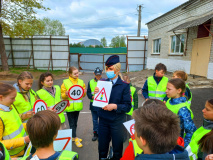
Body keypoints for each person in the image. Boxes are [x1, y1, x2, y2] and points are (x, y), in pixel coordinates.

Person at [94, 55, 131, 160]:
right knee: (102, 149)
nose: (107, 71)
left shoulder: (124, 86)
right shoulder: (102, 83)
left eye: (110, 69)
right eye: (106, 68)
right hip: (103, 121)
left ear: (117, 69)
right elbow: (98, 103)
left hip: (117, 122)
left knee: (117, 150)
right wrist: (95, 94)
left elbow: (127, 106)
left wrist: (115, 106)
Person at [0, 83, 29, 158]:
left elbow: (17, 126)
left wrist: (30, 125)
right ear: (1, 98)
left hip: (23, 149)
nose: (14, 100)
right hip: (12, 156)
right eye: (12, 98)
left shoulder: (10, 107)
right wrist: (24, 140)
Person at [166, 78, 196, 147]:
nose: (166, 91)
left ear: (179, 90)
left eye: (169, 89)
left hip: (175, 143)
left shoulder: (183, 109)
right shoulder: (169, 101)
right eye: (166, 88)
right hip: (167, 139)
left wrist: (182, 147)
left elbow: (191, 131)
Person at [61, 66, 86, 148]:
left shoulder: (81, 82)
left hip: (78, 107)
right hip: (69, 107)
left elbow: (83, 94)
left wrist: (84, 92)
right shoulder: (65, 82)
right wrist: (66, 94)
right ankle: (75, 138)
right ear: (70, 74)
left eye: (77, 73)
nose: (77, 74)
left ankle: (73, 136)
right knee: (72, 123)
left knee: (75, 123)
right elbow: (63, 96)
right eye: (75, 73)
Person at [87, 67, 102, 141]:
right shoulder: (90, 82)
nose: (98, 76)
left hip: (102, 105)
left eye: (99, 75)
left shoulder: (105, 82)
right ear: (94, 74)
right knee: (95, 120)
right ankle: (95, 133)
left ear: (101, 74)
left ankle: (102, 133)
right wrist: (92, 96)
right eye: (97, 75)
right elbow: (88, 93)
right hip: (94, 104)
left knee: (102, 119)